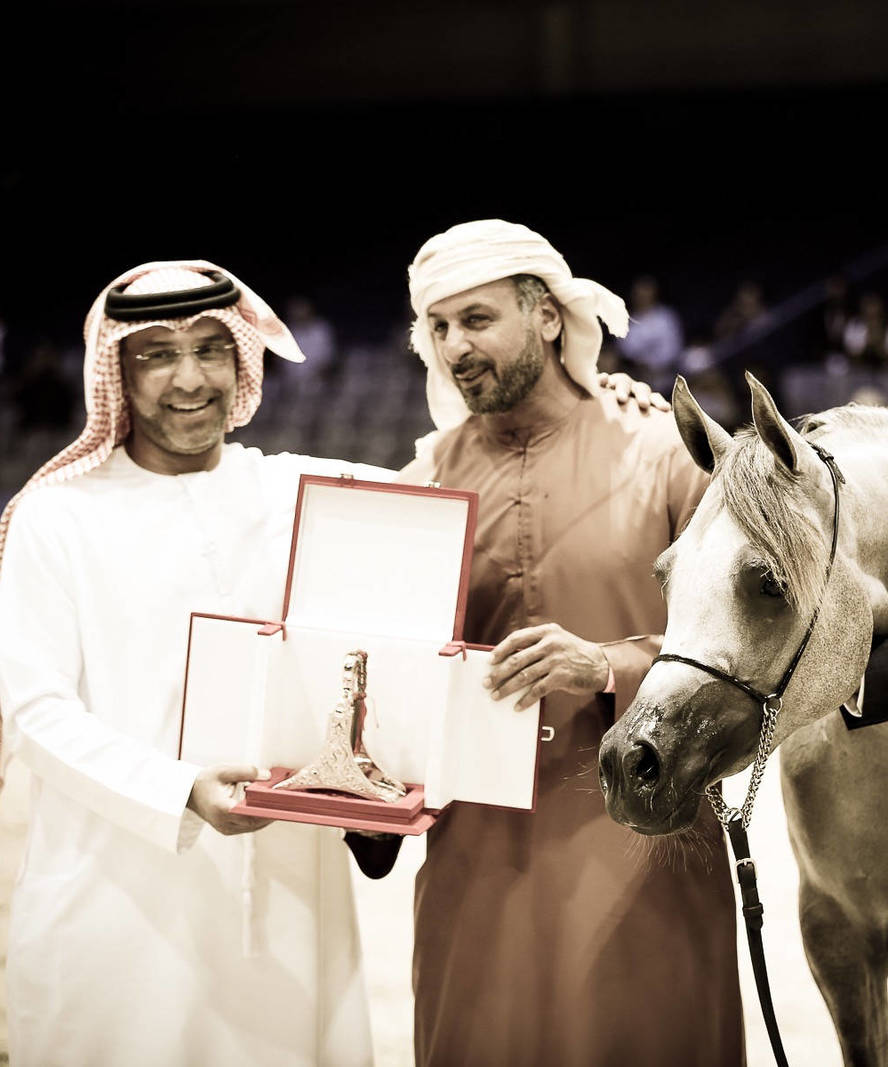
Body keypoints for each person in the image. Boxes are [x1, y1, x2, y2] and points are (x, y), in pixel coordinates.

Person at [352, 219, 744, 1066]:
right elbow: (390, 686)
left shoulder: (667, 456)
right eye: (440, 328)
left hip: (647, 842)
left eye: (479, 319)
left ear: (549, 317)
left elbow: (743, 653)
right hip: (477, 863)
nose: (456, 345)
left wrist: (608, 664)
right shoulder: (423, 483)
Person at [0, 262, 392, 1066]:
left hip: (286, 904)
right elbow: (36, 712)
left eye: (211, 348)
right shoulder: (57, 517)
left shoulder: (299, 491)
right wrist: (182, 792)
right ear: (118, 375)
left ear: (243, 361)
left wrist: (611, 395)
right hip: (120, 905)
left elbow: (459, 472)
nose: (190, 378)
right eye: (158, 355)